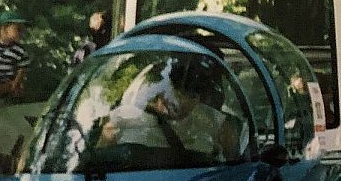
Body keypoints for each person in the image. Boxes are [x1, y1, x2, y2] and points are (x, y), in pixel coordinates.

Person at [98, 56, 238, 162]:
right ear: (165, 86)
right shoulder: (122, 118)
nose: (181, 100)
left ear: (200, 98)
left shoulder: (216, 123)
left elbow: (237, 168)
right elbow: (97, 163)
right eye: (177, 90)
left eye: (192, 94)